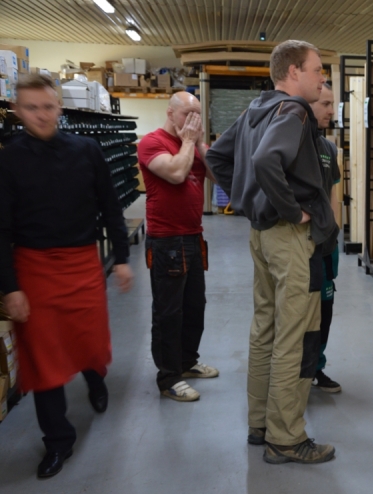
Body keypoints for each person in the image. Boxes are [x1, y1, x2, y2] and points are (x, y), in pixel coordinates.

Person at [206, 40, 338, 464]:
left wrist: (246, 199)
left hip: (261, 235)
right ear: (294, 72)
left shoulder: (255, 109)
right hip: (288, 236)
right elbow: (266, 160)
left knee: (265, 327)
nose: (322, 78)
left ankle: (260, 423)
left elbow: (216, 157)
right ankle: (286, 438)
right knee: (294, 335)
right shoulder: (294, 112)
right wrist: (291, 210)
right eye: (317, 70)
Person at [0, 73, 134, 478]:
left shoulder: (87, 150)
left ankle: (95, 378)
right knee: (43, 357)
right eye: (31, 108)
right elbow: (1, 230)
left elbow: (110, 206)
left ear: (59, 106)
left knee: (88, 337)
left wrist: (122, 257)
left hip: (81, 262)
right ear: (16, 110)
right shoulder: (8, 159)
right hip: (34, 267)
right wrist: (10, 287)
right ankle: (58, 441)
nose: (41, 115)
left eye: (48, 106)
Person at [138, 92, 219, 403]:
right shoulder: (152, 142)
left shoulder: (193, 145)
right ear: (170, 113)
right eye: (188, 113)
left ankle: (186, 361)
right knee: (168, 312)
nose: (193, 120)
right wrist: (188, 142)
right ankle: (169, 377)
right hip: (166, 241)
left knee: (195, 306)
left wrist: (199, 145)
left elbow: (219, 177)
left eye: (198, 114)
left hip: (193, 237)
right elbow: (175, 173)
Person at [309, 82, 342, 394]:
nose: (331, 111)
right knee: (302, 313)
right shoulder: (296, 144)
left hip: (326, 246)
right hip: (304, 245)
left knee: (325, 310)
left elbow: (333, 194)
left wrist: (334, 231)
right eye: (325, 104)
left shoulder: (329, 149)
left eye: (333, 104)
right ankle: (298, 373)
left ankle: (317, 367)